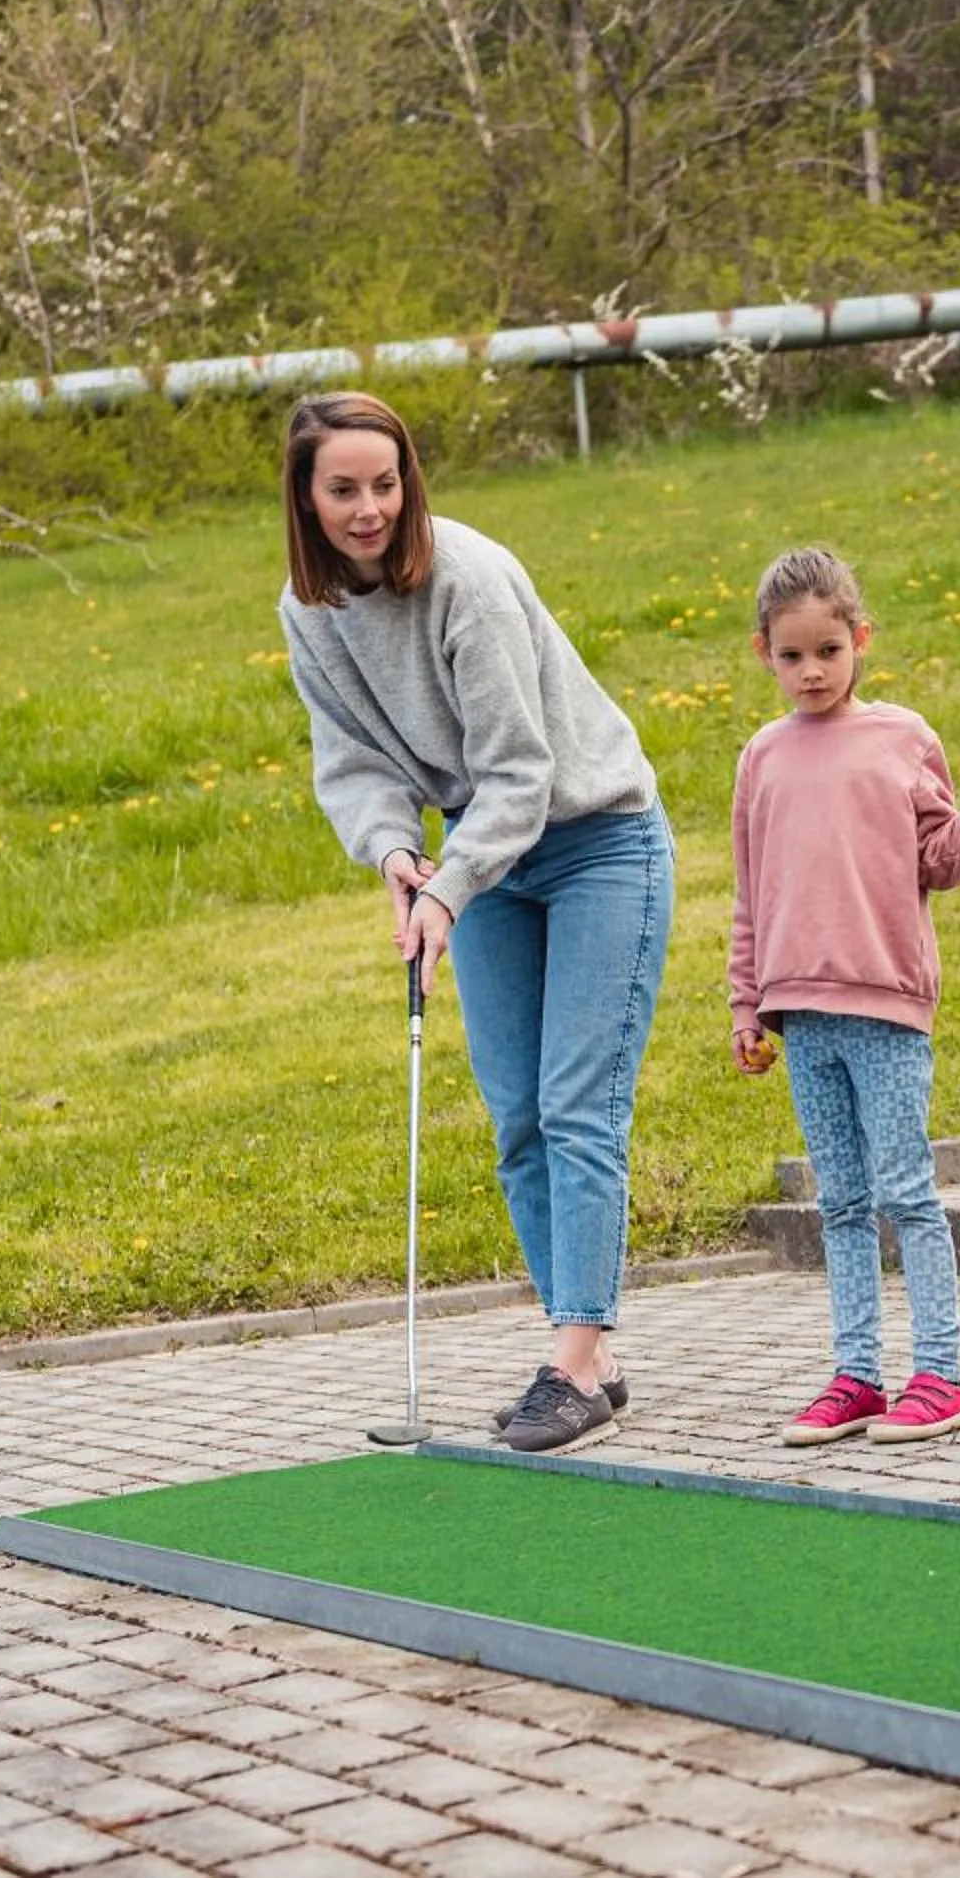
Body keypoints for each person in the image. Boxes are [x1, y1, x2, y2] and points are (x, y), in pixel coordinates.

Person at [279, 391, 673, 1456]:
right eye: (344, 489)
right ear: (306, 499)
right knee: (518, 1118)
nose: (369, 508)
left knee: (577, 1105)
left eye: (385, 483)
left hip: (598, 841)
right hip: (482, 856)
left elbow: (520, 771)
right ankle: (586, 1354)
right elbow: (354, 762)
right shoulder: (308, 611)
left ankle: (574, 1362)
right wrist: (395, 855)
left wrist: (448, 885)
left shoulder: (467, 578)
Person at [727, 548, 960, 1445]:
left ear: (860, 640)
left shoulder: (904, 738)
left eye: (829, 650)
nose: (812, 671)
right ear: (764, 653)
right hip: (800, 1013)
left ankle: (940, 1374)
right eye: (793, 655)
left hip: (886, 1006)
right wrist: (747, 1004)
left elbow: (941, 858)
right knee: (840, 1202)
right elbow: (750, 892)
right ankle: (858, 1376)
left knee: (906, 1191)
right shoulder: (761, 758)